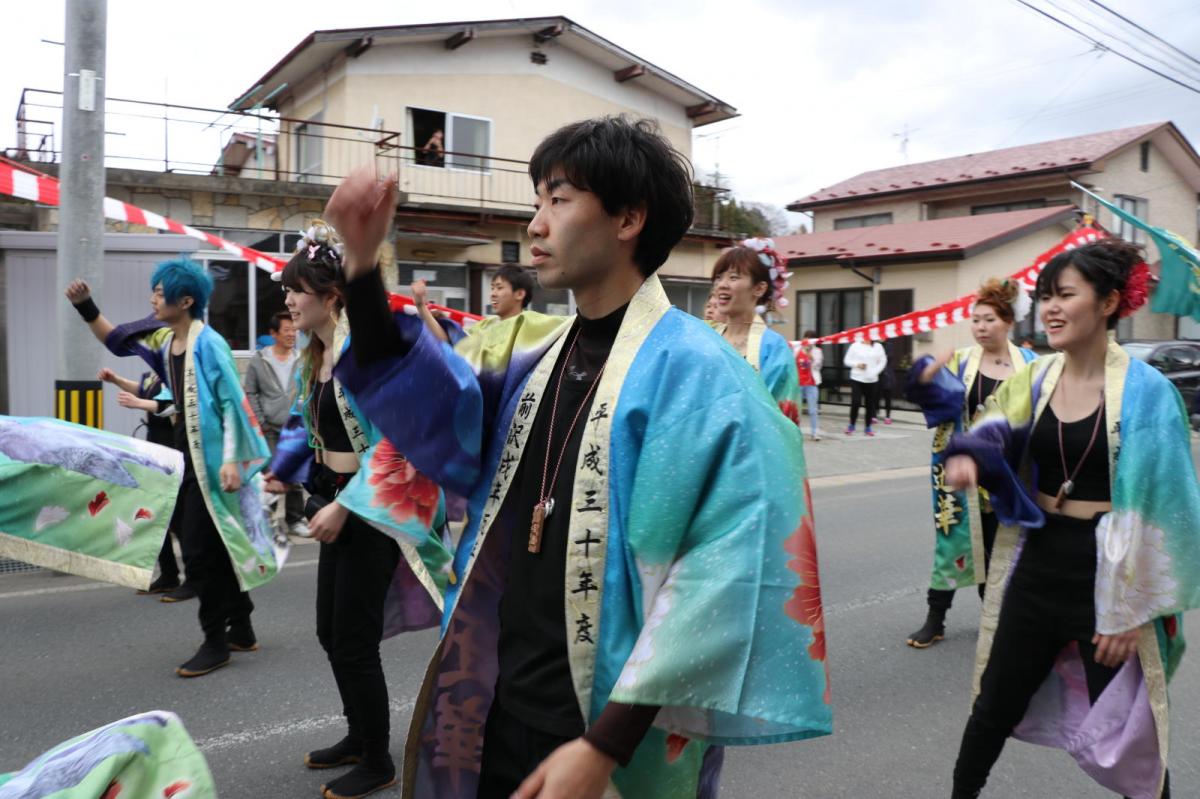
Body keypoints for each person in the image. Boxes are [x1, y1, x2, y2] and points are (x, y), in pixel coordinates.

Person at [326, 116, 831, 799]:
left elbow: (725, 570)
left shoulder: (703, 374)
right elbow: (435, 411)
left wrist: (603, 746)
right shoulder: (527, 350)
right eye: (537, 200)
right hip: (497, 700)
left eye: (558, 200)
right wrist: (361, 266)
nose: (535, 223)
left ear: (628, 218)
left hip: (608, 735)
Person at [938, 240, 1200, 798]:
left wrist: (1130, 610)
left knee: (1131, 735)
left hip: (1107, 578)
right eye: (1045, 297)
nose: (1050, 309)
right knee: (992, 707)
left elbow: (1166, 508)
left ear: (1108, 302)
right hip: (1038, 563)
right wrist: (970, 458)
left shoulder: (1148, 393)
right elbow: (989, 431)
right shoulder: (1035, 378)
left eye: (1065, 295)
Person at [264, 221, 453, 799]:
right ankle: (357, 734)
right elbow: (307, 427)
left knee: (353, 638)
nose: (288, 300)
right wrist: (282, 471)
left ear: (331, 298)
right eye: (287, 290)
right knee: (331, 631)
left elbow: (397, 441)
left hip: (370, 512)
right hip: (335, 498)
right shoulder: (317, 356)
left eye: (297, 290)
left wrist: (345, 507)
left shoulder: (363, 354)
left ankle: (377, 760)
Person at [66, 259, 283, 678]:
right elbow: (122, 345)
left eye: (159, 293)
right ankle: (241, 627)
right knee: (218, 548)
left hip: (215, 468)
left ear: (185, 301)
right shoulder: (168, 343)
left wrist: (234, 460)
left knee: (199, 555)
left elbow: (232, 402)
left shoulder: (209, 344)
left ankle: (215, 642)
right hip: (188, 461)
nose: (152, 299)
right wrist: (85, 306)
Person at [903, 278, 1036, 648]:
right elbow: (931, 398)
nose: (980, 327)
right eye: (975, 320)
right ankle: (935, 618)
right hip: (959, 468)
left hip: (1007, 470)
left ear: (1008, 321)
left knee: (1001, 546)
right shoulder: (961, 361)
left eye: (989, 319)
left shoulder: (1032, 365)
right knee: (952, 542)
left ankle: (997, 619)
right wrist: (925, 377)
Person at [98, 366, 194, 600]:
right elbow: (144, 390)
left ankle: (194, 578)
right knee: (155, 515)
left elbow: (174, 405)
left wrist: (138, 403)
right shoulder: (155, 371)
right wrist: (117, 379)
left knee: (179, 517)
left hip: (174, 450)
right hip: (154, 451)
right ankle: (169, 574)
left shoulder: (177, 369)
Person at [709, 238, 804, 424]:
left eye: (733, 277)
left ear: (759, 288)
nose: (722, 284)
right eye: (719, 277)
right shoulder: (705, 337)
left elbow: (778, 416)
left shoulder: (774, 348)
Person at [244, 310, 307, 537]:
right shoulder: (259, 360)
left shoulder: (301, 359)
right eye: (286, 330)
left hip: (294, 429)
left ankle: (295, 519)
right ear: (273, 333)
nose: (292, 334)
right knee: (269, 475)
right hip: (268, 428)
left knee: (294, 474)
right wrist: (260, 421)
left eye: (294, 330)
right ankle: (267, 522)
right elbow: (250, 392)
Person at [842, 339, 887, 436]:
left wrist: (875, 372)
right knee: (856, 402)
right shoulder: (855, 345)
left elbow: (883, 361)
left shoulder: (878, 346)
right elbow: (846, 360)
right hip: (857, 378)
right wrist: (857, 364)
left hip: (872, 380)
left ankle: (868, 427)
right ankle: (851, 425)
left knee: (869, 404)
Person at [794, 331, 824, 441]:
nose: (808, 341)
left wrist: (809, 355)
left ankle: (815, 432)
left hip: (812, 383)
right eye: (806, 338)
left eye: (811, 339)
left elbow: (817, 366)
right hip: (798, 382)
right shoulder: (796, 349)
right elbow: (792, 363)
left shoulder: (817, 351)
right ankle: (795, 432)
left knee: (813, 410)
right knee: (797, 409)